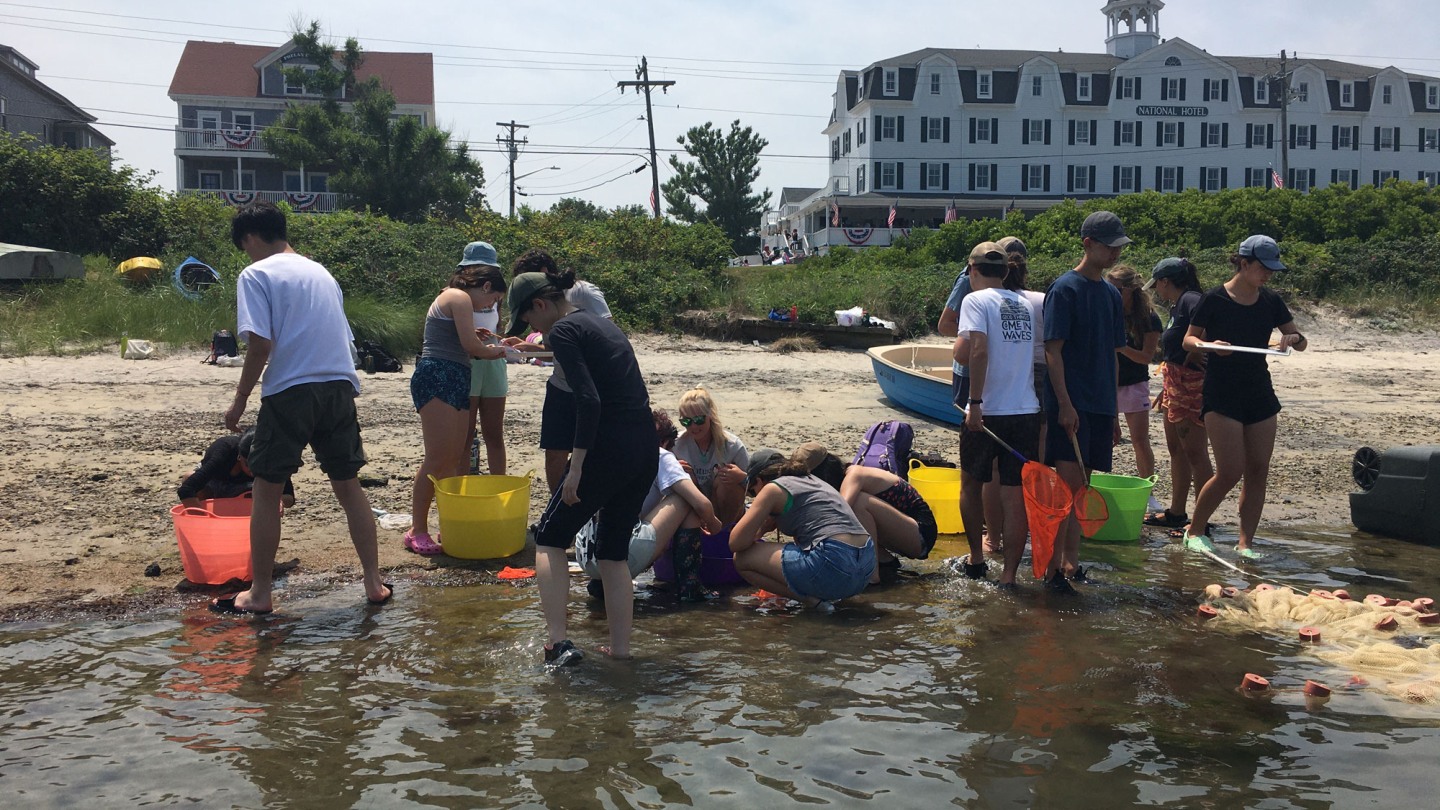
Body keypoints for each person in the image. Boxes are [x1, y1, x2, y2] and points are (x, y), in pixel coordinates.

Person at [214, 200, 390, 614]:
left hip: (292, 389)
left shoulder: (256, 273)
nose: (247, 254)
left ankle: (259, 594)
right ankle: (373, 583)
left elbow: (260, 343)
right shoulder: (322, 272)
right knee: (348, 487)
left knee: (266, 488)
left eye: (245, 246)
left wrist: (239, 398)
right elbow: (342, 338)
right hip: (339, 385)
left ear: (252, 238)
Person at [508, 267, 655, 666]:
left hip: (608, 446)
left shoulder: (565, 332)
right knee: (612, 552)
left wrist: (576, 468)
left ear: (540, 305)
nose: (533, 328)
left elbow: (589, 401)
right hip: (644, 447)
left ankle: (558, 643)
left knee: (551, 538)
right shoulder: (598, 323)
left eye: (529, 319)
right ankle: (621, 653)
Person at [1181, 236, 1308, 558]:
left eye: (1273, 270)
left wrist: (1291, 337)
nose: (1268, 275)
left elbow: (1300, 340)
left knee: (1258, 469)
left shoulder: (1270, 300)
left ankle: (1245, 543)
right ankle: (1194, 530)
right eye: (1264, 268)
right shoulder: (1214, 299)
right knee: (1229, 470)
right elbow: (1188, 341)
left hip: (1259, 390)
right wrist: (1210, 345)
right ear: (1244, 262)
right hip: (1221, 391)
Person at [1042, 211, 1128, 591]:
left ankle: (1071, 564)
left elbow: (1112, 354)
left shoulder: (1110, 293)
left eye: (1118, 248)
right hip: (1071, 403)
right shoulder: (1064, 289)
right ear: (1088, 244)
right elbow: (1052, 352)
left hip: (1100, 404)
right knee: (1066, 488)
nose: (1114, 254)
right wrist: (1064, 404)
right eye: (1109, 247)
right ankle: (1051, 569)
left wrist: (1114, 411)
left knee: (1083, 488)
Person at [402, 260, 510, 556]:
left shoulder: (459, 301)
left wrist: (480, 340)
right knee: (437, 458)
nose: (491, 305)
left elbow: (466, 340)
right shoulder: (458, 296)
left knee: (452, 458)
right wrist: (501, 352)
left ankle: (448, 522)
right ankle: (417, 530)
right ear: (486, 286)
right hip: (438, 374)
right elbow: (470, 347)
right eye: (493, 299)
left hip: (456, 374)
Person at [955, 242, 1043, 589]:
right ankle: (1009, 577)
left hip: (989, 410)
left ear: (972, 270)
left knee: (971, 485)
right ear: (1006, 271)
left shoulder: (974, 300)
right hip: (1026, 410)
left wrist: (975, 403)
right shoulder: (1022, 302)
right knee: (1013, 494)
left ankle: (977, 560)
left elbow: (977, 351)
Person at [575, 408, 723, 603]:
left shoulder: (609, 449)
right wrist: (715, 525)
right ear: (664, 442)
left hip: (585, 555)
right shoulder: (659, 454)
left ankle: (601, 584)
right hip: (621, 556)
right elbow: (701, 503)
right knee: (684, 499)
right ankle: (690, 587)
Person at [510, 249, 613, 494]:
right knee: (555, 452)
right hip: (560, 385)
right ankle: (556, 507)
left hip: (591, 386)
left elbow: (607, 335)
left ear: (544, 273)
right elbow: (552, 346)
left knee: (593, 451)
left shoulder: (583, 292)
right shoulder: (542, 305)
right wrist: (528, 348)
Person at [730, 449, 876, 606]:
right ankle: (828, 598)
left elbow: (735, 543)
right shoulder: (811, 480)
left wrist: (763, 528)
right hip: (866, 567)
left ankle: (812, 601)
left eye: (753, 492)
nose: (755, 496)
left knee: (742, 559)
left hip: (834, 563)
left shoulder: (772, 489)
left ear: (758, 480)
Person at [1143, 257, 1213, 531]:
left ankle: (1201, 520)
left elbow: (1210, 326)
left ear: (1165, 281)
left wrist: (1198, 349)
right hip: (1174, 383)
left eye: (1158, 285)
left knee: (1196, 452)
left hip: (1192, 385)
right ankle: (1177, 511)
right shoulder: (1177, 306)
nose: (1157, 291)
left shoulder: (1191, 300)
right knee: (1176, 450)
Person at [1105, 264, 1163, 494]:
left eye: (1117, 290)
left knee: (1139, 439)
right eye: (1109, 289)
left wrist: (1121, 347)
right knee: (1104, 438)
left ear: (1131, 290)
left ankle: (1147, 491)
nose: (1113, 294)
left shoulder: (1148, 318)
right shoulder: (1108, 312)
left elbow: (1146, 357)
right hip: (1108, 380)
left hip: (1134, 382)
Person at [458, 242, 510, 477]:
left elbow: (495, 325)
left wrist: (503, 342)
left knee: (494, 433)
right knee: (465, 433)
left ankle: (498, 483)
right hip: (468, 363)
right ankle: (463, 486)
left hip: (493, 361)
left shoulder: (495, 295)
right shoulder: (455, 294)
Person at [672, 387, 750, 524]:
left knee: (725, 480)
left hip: (729, 509)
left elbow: (756, 489)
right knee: (683, 477)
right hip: (696, 505)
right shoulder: (676, 445)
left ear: (710, 416)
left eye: (699, 420)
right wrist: (672, 469)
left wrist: (742, 478)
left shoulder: (733, 446)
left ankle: (724, 530)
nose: (693, 427)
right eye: (686, 422)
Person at [178, 428, 295, 509]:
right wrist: (202, 518)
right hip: (215, 484)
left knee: (263, 493)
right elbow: (186, 489)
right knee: (189, 477)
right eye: (249, 465)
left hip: (247, 491)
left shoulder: (272, 459)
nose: (253, 471)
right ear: (239, 456)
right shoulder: (224, 452)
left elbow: (289, 497)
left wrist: (277, 501)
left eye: (259, 466)